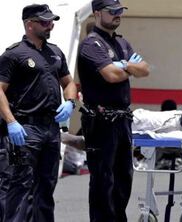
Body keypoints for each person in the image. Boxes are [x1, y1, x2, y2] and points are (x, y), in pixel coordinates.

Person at [0, 4, 77, 221]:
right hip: (25, 128)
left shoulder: (55, 52)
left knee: (46, 187)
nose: (50, 25)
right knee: (20, 188)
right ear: (29, 24)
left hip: (50, 129)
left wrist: (70, 101)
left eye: (51, 21)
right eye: (44, 22)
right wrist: (11, 122)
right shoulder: (14, 54)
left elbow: (69, 82)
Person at [77, 0, 150, 221]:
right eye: (113, 12)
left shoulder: (121, 42)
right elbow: (111, 75)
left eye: (120, 11)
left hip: (122, 119)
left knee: (123, 178)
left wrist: (123, 65)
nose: (118, 15)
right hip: (101, 120)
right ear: (98, 13)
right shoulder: (92, 44)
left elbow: (145, 69)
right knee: (103, 180)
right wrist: (129, 66)